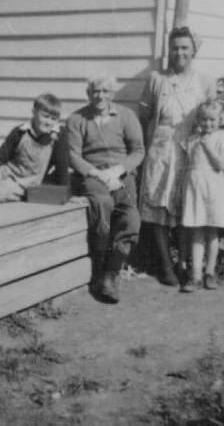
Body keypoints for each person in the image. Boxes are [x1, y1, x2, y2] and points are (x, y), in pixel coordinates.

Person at [138, 26, 214, 286]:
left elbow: (211, 115)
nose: (179, 52)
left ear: (194, 50)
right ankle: (166, 266)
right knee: (158, 204)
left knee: (186, 205)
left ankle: (186, 264)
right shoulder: (157, 79)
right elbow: (145, 116)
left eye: (184, 47)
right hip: (161, 149)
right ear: (169, 50)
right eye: (175, 47)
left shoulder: (204, 81)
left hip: (190, 151)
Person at [66, 74, 145, 304]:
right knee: (102, 204)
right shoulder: (77, 119)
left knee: (131, 218)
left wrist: (118, 171)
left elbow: (138, 151)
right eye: (94, 91)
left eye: (104, 91)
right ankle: (98, 271)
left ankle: (111, 275)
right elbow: (73, 155)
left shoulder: (126, 116)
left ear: (112, 93)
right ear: (88, 94)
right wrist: (98, 174)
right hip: (92, 175)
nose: (99, 96)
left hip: (120, 175)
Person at [177, 99, 224, 292]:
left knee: (212, 232)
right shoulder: (192, 138)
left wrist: (208, 147)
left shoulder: (222, 137)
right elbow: (187, 164)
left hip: (214, 189)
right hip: (195, 189)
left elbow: (220, 165)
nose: (208, 124)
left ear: (219, 119)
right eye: (204, 120)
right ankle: (195, 275)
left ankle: (210, 272)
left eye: (212, 120)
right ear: (198, 120)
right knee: (196, 232)